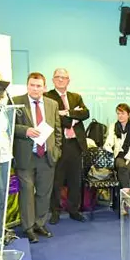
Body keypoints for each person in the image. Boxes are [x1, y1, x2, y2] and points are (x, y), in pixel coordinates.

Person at [12, 72, 62, 243]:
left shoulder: (52, 104)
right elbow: (8, 126)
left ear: (44, 88)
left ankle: (40, 223)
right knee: (26, 193)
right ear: (27, 86)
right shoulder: (16, 101)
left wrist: (56, 151)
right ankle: (28, 228)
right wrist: (24, 130)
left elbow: (57, 129)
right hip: (25, 156)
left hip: (46, 156)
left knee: (43, 193)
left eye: (38, 85)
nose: (35, 88)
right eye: (32, 85)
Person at [46, 68, 89, 224]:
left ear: (68, 80)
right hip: (59, 144)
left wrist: (67, 113)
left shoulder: (76, 97)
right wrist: (72, 117)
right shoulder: (48, 97)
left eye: (64, 77)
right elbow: (54, 119)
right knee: (57, 180)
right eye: (58, 77)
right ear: (53, 79)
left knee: (74, 180)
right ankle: (55, 212)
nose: (61, 80)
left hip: (75, 144)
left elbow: (86, 113)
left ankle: (74, 210)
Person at [103, 103, 130, 191]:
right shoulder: (113, 126)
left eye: (122, 113)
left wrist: (127, 161)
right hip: (119, 156)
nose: (120, 116)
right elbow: (109, 141)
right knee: (122, 169)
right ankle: (127, 198)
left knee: (122, 172)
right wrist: (108, 146)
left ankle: (120, 200)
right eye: (118, 113)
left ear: (129, 114)